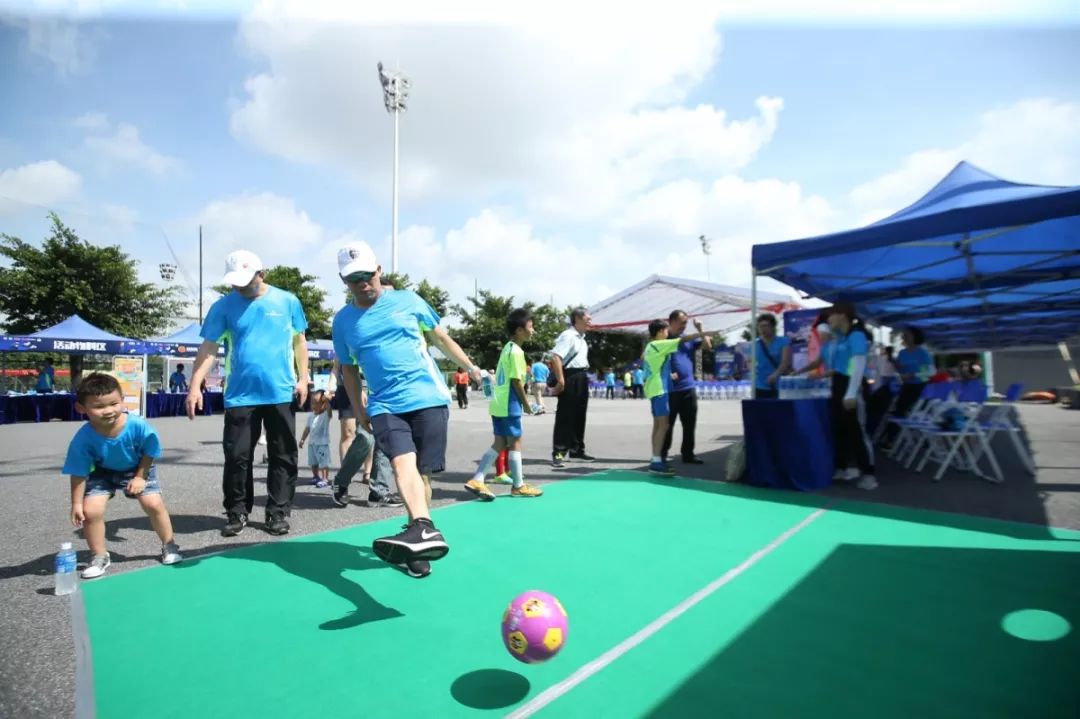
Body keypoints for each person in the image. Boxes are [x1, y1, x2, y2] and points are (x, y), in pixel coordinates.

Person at [332, 241, 482, 579]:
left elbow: (441, 338)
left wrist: (470, 367)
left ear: (379, 270)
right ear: (344, 281)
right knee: (403, 463)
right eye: (353, 278)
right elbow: (349, 370)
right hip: (385, 403)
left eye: (367, 275)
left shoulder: (409, 301)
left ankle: (420, 532)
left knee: (422, 475)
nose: (362, 283)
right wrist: (359, 409)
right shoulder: (343, 322)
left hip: (428, 397)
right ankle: (423, 528)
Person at [186, 249, 309, 537]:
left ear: (261, 273)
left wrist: (303, 379)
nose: (239, 287)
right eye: (234, 282)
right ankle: (237, 511)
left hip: (279, 391)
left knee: (283, 454)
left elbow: (299, 342)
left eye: (245, 280)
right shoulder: (223, 307)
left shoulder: (288, 301)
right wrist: (194, 386)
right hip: (241, 394)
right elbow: (208, 348)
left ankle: (278, 511)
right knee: (237, 455)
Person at [64, 373, 182, 579]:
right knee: (91, 512)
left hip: (138, 467)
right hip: (102, 472)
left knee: (153, 504)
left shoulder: (137, 425)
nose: (109, 410)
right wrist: (76, 504)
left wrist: (140, 477)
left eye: (114, 403)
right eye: (99, 407)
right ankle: (99, 555)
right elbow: (78, 471)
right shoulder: (82, 438)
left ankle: (169, 544)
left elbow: (150, 451)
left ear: (123, 400)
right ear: (81, 408)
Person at [465, 308, 544, 500]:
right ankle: (518, 485)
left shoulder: (507, 348)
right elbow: (517, 381)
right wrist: (526, 405)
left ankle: (478, 478)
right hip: (510, 403)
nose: (533, 331)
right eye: (530, 327)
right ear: (519, 330)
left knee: (500, 442)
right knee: (515, 442)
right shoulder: (517, 352)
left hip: (498, 403)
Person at [819, 304, 877, 490]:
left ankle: (868, 473)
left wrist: (851, 393)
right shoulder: (842, 338)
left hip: (852, 387)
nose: (828, 321)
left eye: (830, 317)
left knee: (856, 431)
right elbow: (840, 365)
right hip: (838, 385)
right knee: (839, 429)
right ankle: (841, 467)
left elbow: (858, 365)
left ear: (842, 315)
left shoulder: (856, 335)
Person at [642, 318, 709, 475]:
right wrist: (704, 332)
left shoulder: (650, 346)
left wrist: (667, 374)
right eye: (665, 330)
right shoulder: (660, 344)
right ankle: (657, 461)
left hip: (656, 389)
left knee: (658, 425)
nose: (667, 333)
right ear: (660, 332)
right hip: (660, 390)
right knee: (664, 425)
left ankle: (655, 458)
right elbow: (684, 339)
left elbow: (649, 364)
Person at [662, 309, 715, 463]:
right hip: (670, 390)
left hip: (688, 388)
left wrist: (700, 329)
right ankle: (663, 455)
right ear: (671, 321)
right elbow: (652, 361)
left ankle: (688, 454)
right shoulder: (663, 339)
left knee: (689, 424)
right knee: (668, 425)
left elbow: (707, 346)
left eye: (686, 323)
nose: (684, 326)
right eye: (681, 322)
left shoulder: (688, 339)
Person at [550, 308, 594, 468]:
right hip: (570, 376)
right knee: (566, 415)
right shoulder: (568, 336)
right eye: (588, 318)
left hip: (582, 376)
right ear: (577, 318)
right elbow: (556, 357)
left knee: (579, 414)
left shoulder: (582, 338)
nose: (590, 320)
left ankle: (576, 449)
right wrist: (561, 380)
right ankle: (559, 451)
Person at [753, 313, 792, 400]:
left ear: (773, 326)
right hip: (760, 385)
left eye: (765, 326)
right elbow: (750, 361)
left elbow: (785, 362)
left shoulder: (783, 341)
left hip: (779, 384)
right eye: (760, 326)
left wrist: (776, 375)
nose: (763, 329)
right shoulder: (755, 344)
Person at [299, 390, 332, 487]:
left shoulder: (325, 415)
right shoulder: (311, 415)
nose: (314, 406)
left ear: (323, 404)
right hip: (312, 443)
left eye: (317, 403)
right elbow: (307, 428)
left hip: (322, 444)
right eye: (312, 403)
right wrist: (302, 439)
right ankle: (316, 476)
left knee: (323, 462)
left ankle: (325, 479)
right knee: (313, 462)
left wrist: (327, 401)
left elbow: (329, 410)